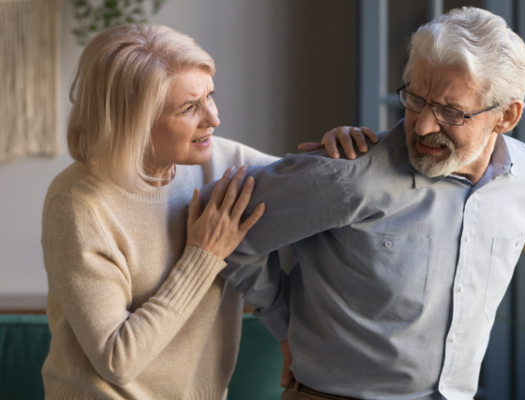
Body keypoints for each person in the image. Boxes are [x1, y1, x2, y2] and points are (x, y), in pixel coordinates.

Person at [207, 7, 525, 400]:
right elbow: (223, 226)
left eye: (450, 111)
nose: (423, 125)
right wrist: (285, 327)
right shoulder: (350, 174)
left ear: (506, 117)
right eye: (415, 99)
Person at [41, 24, 374, 399]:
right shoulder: (78, 206)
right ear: (134, 121)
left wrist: (343, 149)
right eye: (189, 108)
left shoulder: (224, 160)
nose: (212, 119)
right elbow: (117, 360)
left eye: (209, 97)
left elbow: (319, 193)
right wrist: (204, 255)